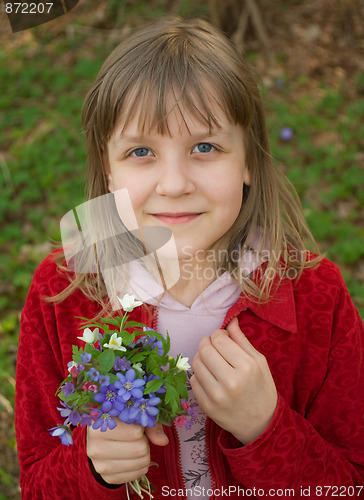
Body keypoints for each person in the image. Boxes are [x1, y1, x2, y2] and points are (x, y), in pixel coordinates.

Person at [15, 17, 364, 500]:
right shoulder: (65, 291)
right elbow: (35, 484)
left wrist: (268, 429)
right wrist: (92, 468)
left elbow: (348, 486)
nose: (174, 184)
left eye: (205, 147)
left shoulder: (315, 294)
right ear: (107, 168)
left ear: (248, 159)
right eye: (141, 151)